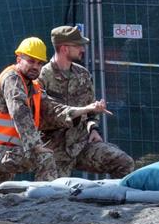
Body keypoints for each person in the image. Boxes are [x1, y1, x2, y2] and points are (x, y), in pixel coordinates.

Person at [0, 37, 108, 198]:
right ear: (19, 59)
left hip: (2, 148)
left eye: (39, 63)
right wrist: (35, 145)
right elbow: (20, 113)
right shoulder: (12, 79)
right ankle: (41, 206)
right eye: (31, 61)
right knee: (44, 158)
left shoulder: (34, 87)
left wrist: (86, 109)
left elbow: (54, 109)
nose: (35, 67)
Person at [39, 25, 134, 179]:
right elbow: (48, 114)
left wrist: (94, 129)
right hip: (54, 151)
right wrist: (86, 109)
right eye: (77, 46)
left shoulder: (82, 74)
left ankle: (117, 202)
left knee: (123, 162)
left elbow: (91, 112)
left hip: (81, 145)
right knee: (50, 196)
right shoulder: (43, 77)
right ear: (64, 48)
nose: (82, 49)